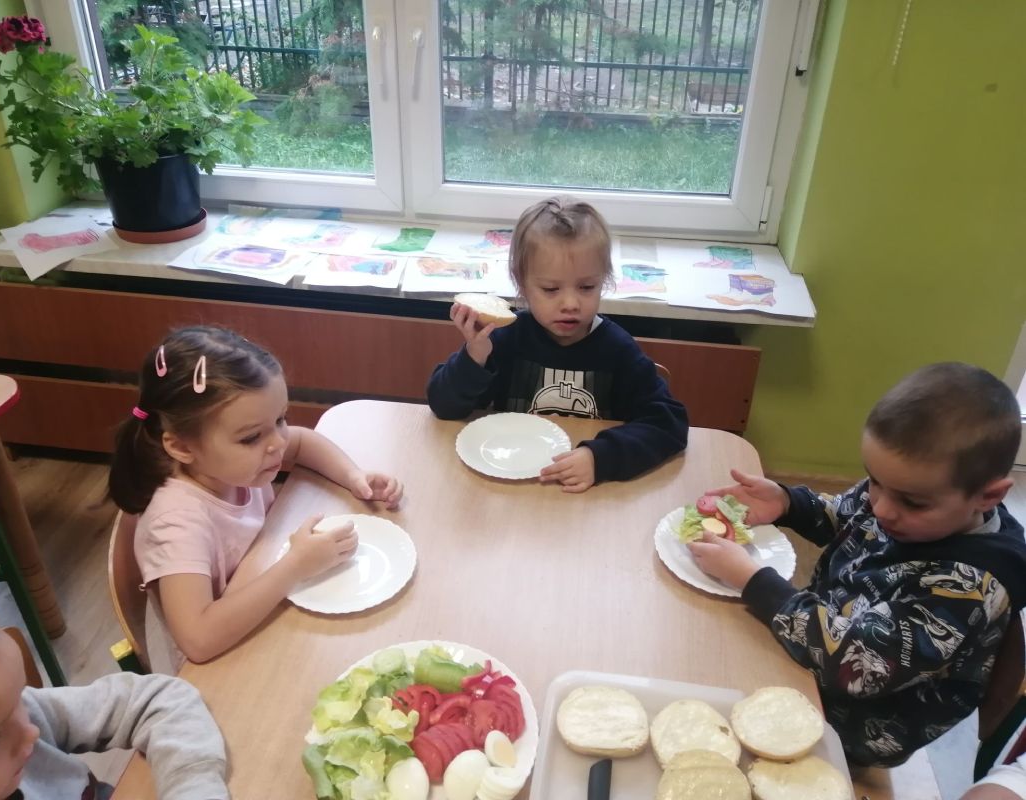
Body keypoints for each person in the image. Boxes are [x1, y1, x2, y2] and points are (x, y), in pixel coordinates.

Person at [687, 362, 1026, 767]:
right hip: (815, 640)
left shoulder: (965, 589)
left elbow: (855, 665)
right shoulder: (903, 494)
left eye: (912, 502)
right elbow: (845, 517)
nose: (880, 507)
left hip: (852, 723)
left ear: (987, 497)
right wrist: (789, 503)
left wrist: (754, 581)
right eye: (873, 481)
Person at [108, 326, 403, 667]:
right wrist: (295, 566)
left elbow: (301, 442)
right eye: (251, 438)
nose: (278, 442)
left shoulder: (232, 463)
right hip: (227, 662)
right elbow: (198, 639)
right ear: (182, 447)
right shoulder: (175, 524)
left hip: (267, 600)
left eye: (280, 419)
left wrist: (353, 475)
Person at [426, 196, 688, 493]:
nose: (570, 303)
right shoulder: (505, 339)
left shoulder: (618, 350)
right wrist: (475, 357)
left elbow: (669, 424)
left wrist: (601, 458)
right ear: (522, 284)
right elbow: (444, 407)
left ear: (604, 281)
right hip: (514, 487)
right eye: (551, 289)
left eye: (587, 287)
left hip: (588, 494)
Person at [0, 605, 228, 800]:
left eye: (19, 694)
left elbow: (156, 699)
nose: (31, 732)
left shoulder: (21, 714)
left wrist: (191, 788)